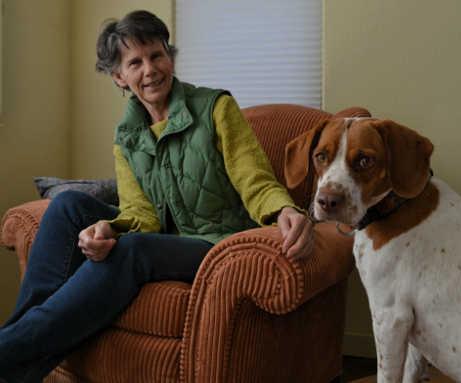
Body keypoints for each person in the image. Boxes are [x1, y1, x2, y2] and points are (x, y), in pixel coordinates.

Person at [0, 10, 313, 382]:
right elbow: (140, 214)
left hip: (215, 242)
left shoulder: (215, 107)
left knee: (133, 251)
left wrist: (282, 210)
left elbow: (254, 178)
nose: (150, 69)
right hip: (162, 238)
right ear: (119, 76)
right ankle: (13, 366)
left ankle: (6, 352)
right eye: (135, 62)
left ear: (170, 57)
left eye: (157, 55)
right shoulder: (127, 135)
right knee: (67, 205)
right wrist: (108, 228)